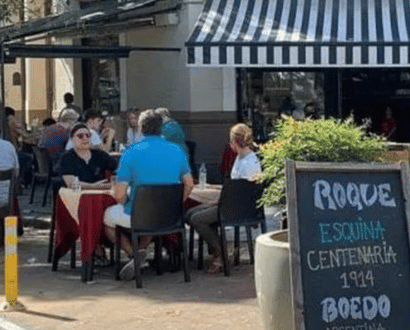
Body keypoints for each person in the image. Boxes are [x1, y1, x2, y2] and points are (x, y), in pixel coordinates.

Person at [103, 109, 193, 280]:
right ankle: (140, 253)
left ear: (141, 127)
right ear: (161, 127)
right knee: (152, 212)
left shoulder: (131, 152)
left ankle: (133, 254)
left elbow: (119, 193)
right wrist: (176, 203)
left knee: (108, 218)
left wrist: (124, 202)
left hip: (139, 213)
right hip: (169, 215)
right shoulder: (176, 150)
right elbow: (189, 184)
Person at [187, 123, 262, 274]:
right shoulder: (242, 157)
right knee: (190, 213)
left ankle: (221, 252)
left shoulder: (248, 162)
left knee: (197, 219)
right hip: (232, 202)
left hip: (238, 207)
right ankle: (218, 251)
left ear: (234, 143)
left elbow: (241, 190)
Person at [59, 123, 117, 190]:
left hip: (100, 195)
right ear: (72, 139)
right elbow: (71, 183)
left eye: (88, 135)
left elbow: (117, 168)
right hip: (76, 196)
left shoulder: (100, 155)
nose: (85, 138)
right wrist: (94, 186)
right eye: (80, 136)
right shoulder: (66, 158)